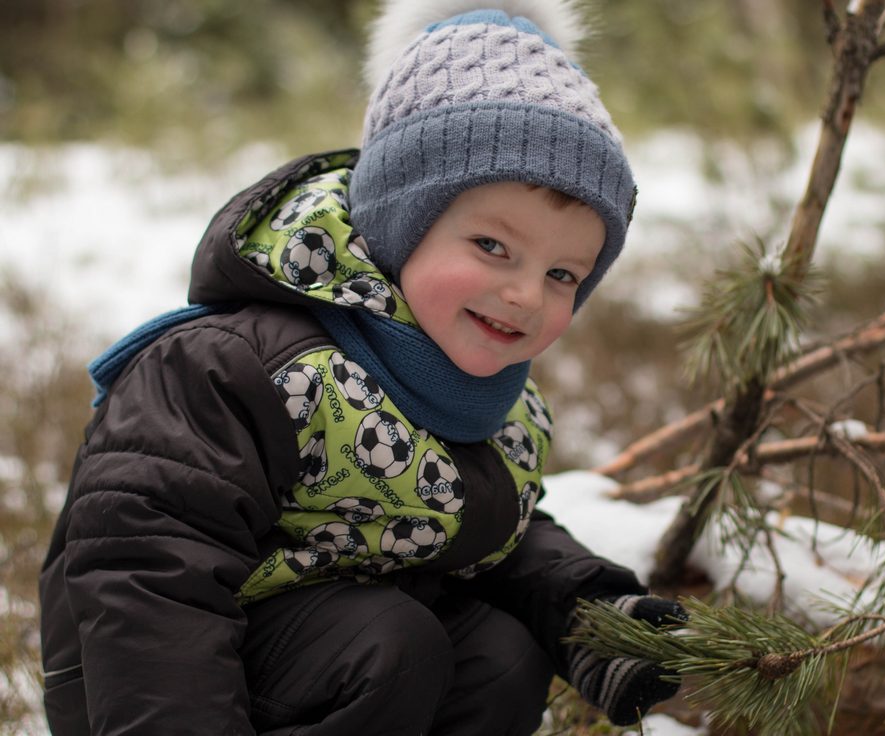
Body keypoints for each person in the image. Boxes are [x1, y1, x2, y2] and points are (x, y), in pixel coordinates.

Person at [39, 1, 685, 734]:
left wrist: (590, 615)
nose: (525, 294)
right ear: (399, 222)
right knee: (388, 643)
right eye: (493, 247)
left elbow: (485, 527)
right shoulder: (242, 369)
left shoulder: (479, 394)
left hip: (322, 652)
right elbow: (146, 575)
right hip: (150, 682)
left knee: (498, 654)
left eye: (564, 274)